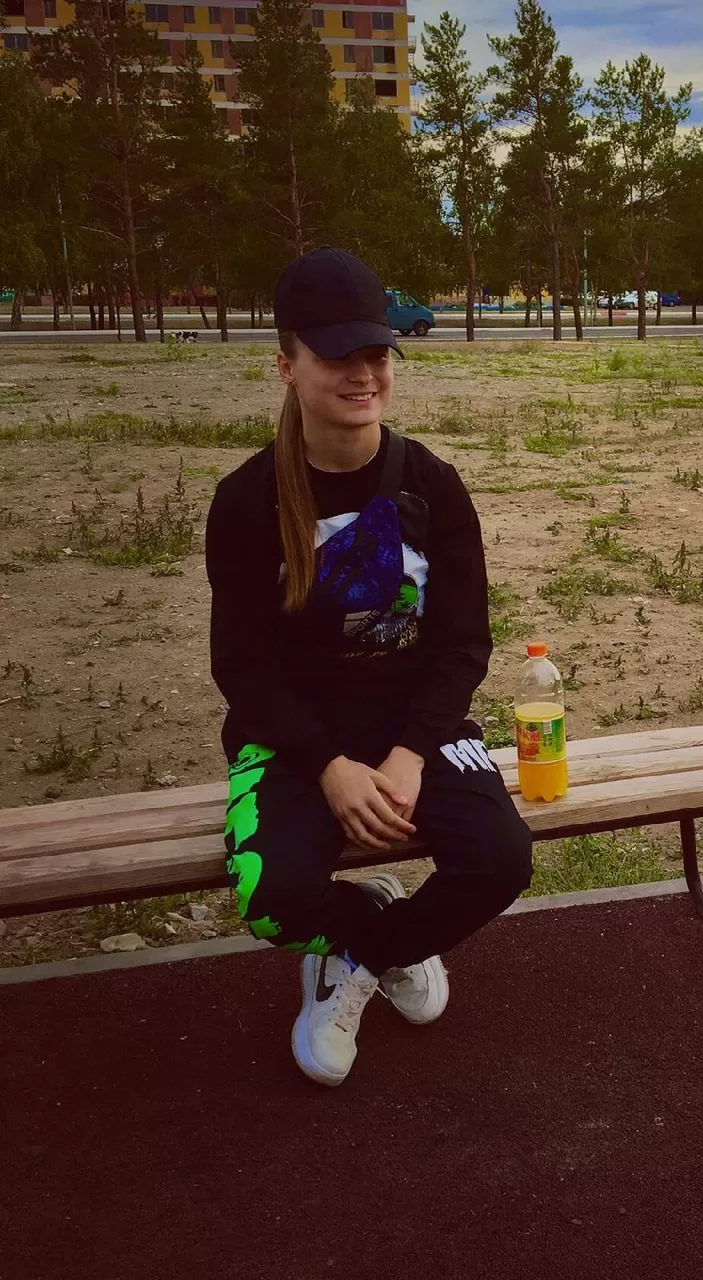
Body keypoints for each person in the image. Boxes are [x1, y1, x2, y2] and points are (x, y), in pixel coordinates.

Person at [205, 247, 532, 1087]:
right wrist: (328, 766)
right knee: (270, 901)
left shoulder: (434, 485)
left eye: (377, 352)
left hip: (413, 728)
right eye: (336, 354)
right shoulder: (245, 502)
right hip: (295, 739)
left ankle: (364, 956)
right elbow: (242, 666)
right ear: (286, 363)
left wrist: (411, 753)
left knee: (501, 859)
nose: (363, 372)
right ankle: (370, 925)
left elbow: (463, 642)